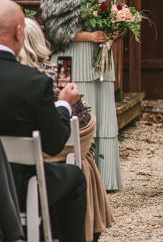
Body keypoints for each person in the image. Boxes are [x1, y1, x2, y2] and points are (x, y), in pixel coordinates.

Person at [17, 18, 114, 241]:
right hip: (52, 160)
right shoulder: (58, 72)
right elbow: (81, 124)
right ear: (38, 41)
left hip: (15, 165)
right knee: (83, 159)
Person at [0, 0, 87, 242]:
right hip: (23, 183)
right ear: (19, 33)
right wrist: (63, 104)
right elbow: (54, 143)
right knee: (76, 178)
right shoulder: (33, 83)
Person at [40, 0, 121, 191]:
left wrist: (115, 31)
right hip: (68, 60)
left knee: (102, 115)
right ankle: (74, 177)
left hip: (100, 62)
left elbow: (118, 16)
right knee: (72, 114)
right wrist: (90, 36)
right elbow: (54, 32)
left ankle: (105, 180)